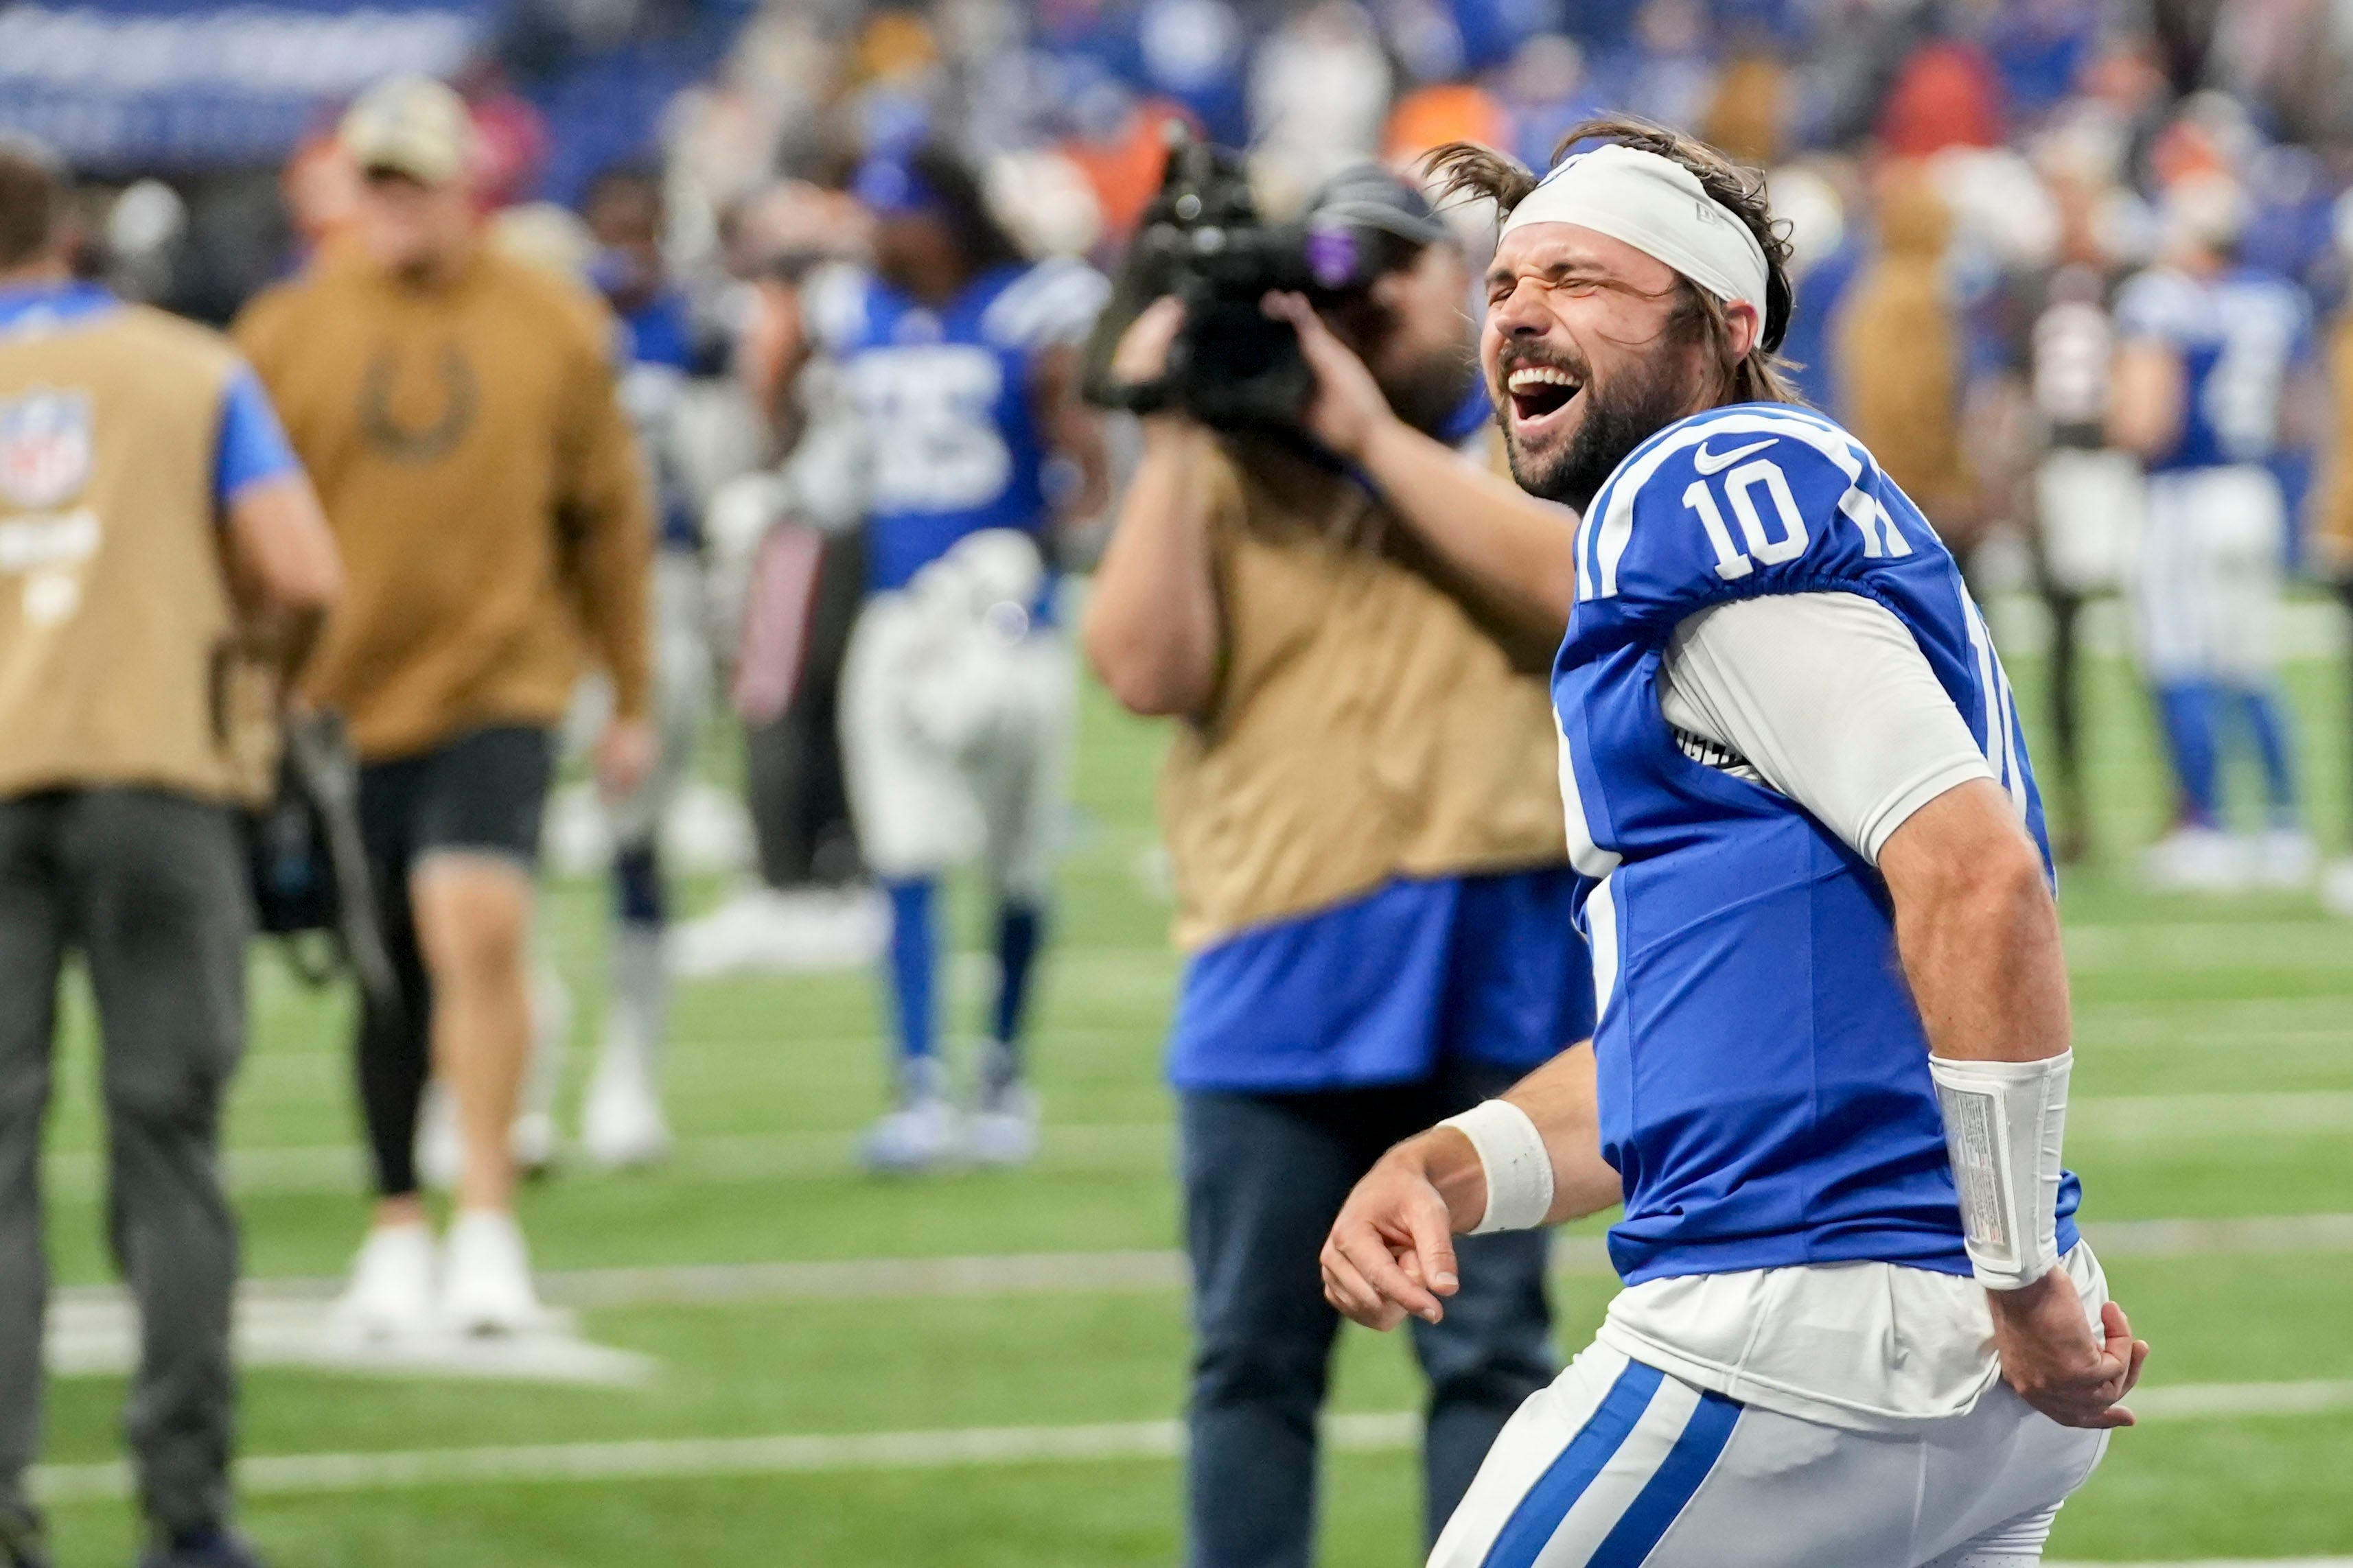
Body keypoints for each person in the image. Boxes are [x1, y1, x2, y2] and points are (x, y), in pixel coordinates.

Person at [1321, 119, 2148, 1567]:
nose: (1515, 308)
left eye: (1577, 275)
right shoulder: (1722, 600)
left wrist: (2011, 1269)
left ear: (1725, 321)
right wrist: (1446, 1165)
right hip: (1952, 1360)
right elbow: (1708, 1052)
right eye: (1503, 282)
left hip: (1803, 1328)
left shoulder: (1702, 501)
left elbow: (1978, 873)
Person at [1087, 165, 1596, 1568]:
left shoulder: (1526, 441)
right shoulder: (1227, 466)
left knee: (1489, 1349)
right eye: (1330, 295)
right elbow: (1141, 668)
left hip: (1493, 949)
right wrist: (1178, 424)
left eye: (1388, 281)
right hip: (1271, 953)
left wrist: (1367, 435)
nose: (1357, 316)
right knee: (1248, 1356)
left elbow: (1577, 593)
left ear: (1457, 288)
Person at [234, 75, 655, 1336]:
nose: (396, 203)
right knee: (387, 977)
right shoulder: (285, 331)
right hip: (342, 696)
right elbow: (242, 535)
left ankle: (485, 1218)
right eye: (378, 179)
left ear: (469, 183)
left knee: (477, 930)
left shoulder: (553, 321)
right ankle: (394, 1222)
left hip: (501, 678)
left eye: (417, 178)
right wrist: (252, 690)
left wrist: (627, 690)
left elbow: (609, 521)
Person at [0, 138, 342, 1568]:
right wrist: (255, 683)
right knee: (171, 1148)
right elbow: (304, 571)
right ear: (70, 232)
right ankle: (187, 1504)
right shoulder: (190, 366)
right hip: (162, 777)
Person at [802, 143, 1111, 1171]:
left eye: (899, 215)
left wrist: (1041, 561)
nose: (883, 236)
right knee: (903, 851)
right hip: (898, 615)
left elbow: (1088, 464)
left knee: (1018, 858)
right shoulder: (856, 312)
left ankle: (1002, 1072)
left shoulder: (1029, 310)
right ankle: (920, 1081)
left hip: (1002, 616)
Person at [570, 164, 719, 1167]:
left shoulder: (696, 332)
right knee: (495, 849)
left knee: (637, 838)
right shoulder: (550, 329)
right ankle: (504, 1071)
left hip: (659, 591)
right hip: (546, 603)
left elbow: (716, 485)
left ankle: (629, 1071)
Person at [2109, 174, 2316, 891]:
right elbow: (2296, 416)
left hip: (2184, 497)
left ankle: (2210, 827)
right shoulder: (2273, 301)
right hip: (2252, 491)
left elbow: (2148, 418)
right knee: (2249, 665)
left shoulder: (2162, 300)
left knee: (2179, 661)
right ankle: (2285, 824)